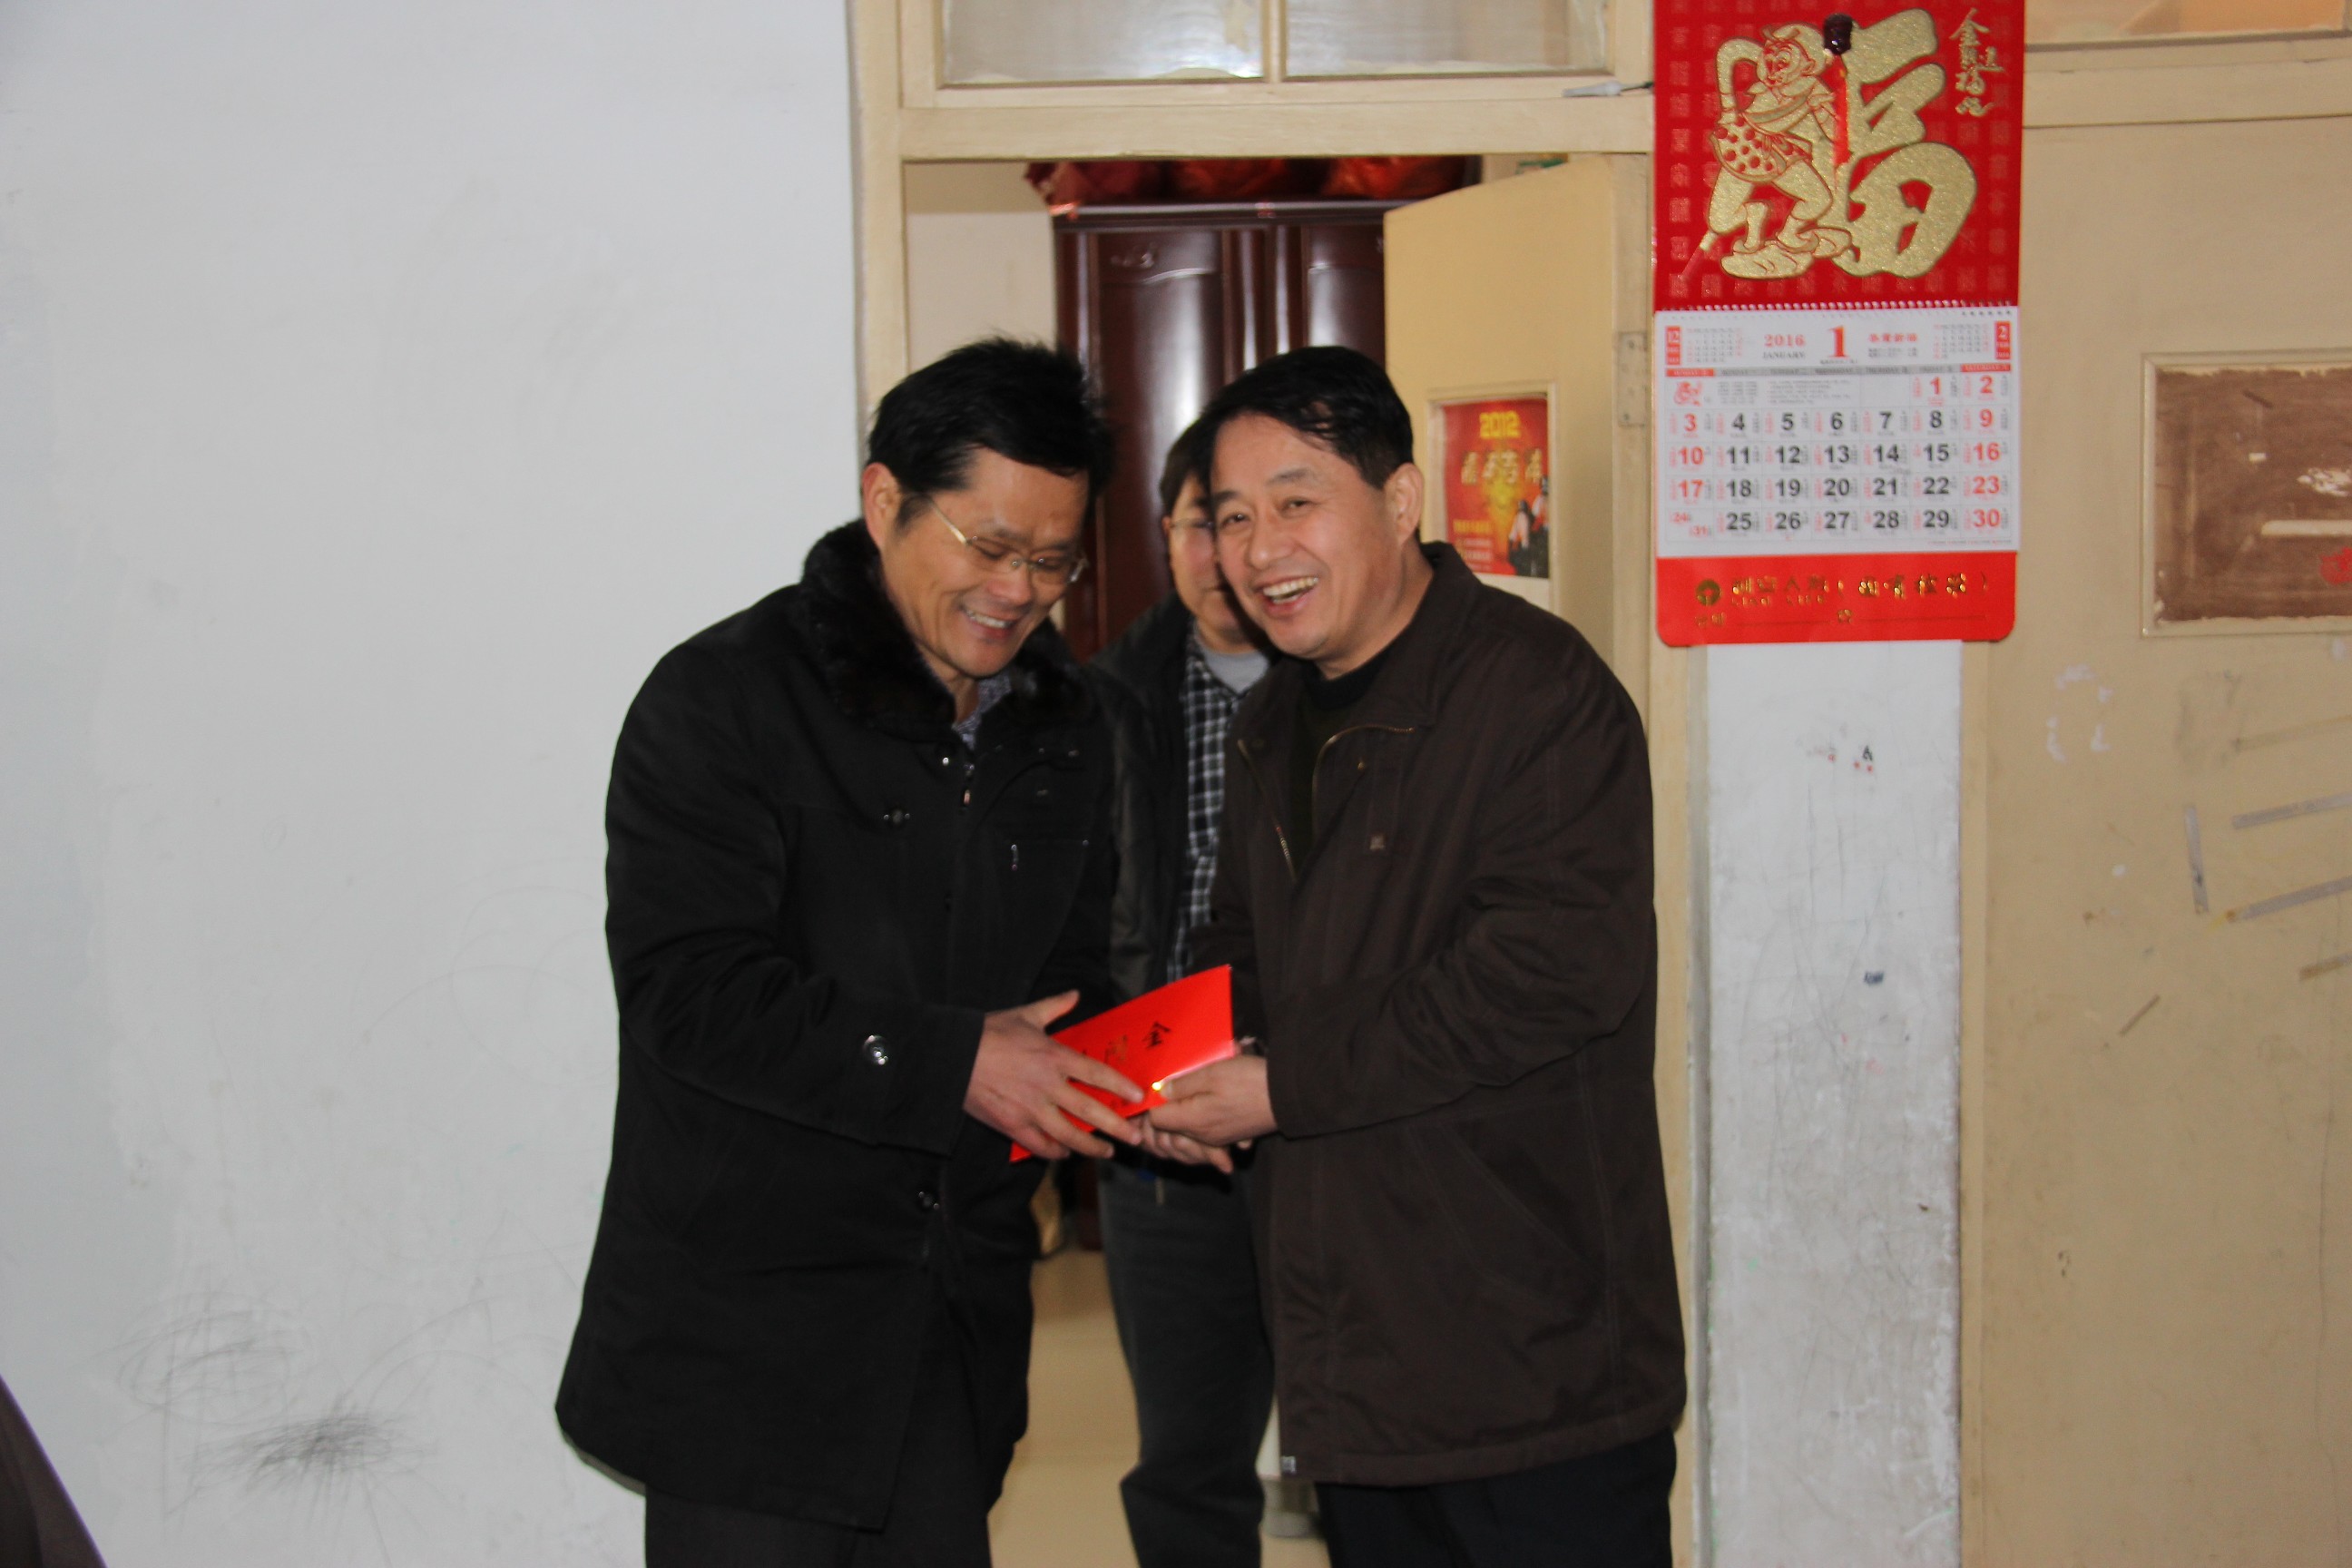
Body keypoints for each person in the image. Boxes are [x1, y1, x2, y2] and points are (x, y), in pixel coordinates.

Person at [556, 338, 1146, 1568]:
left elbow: (1071, 985)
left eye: (1053, 560)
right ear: (887, 503)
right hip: (750, 1335)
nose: (1018, 591)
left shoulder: (1067, 728)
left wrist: (1141, 1086)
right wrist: (955, 1063)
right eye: (989, 546)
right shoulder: (722, 701)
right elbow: (690, 994)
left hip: (952, 1318)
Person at [1145, 347, 1685, 1568]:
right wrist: (1184, 1066)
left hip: (1531, 1367)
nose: (1259, 550)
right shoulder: (1275, 714)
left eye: (1296, 502)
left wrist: (1281, 1086)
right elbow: (1245, 947)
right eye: (1233, 517)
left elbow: (1549, 973)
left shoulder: (1539, 696)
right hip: (1359, 1361)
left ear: (1400, 501)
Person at [1086, 416, 1277, 1568]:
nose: (1224, 556)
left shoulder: (1352, 686)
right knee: (1189, 1466)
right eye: (1202, 524)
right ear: (1166, 536)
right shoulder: (1100, 701)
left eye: (1248, 520)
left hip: (1329, 1123)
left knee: (1381, 1457)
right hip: (1160, 1136)